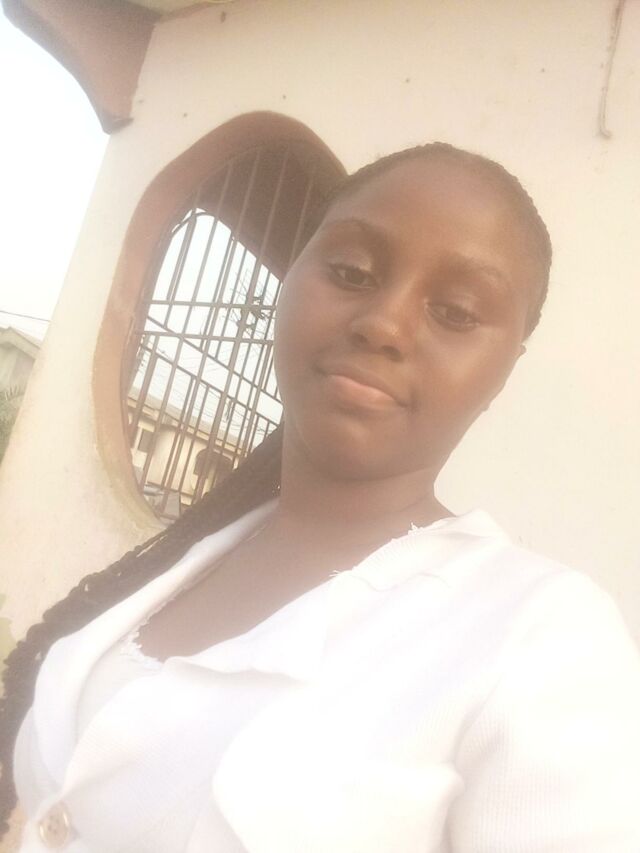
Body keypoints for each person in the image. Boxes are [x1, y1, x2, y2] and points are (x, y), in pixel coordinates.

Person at [2, 143, 640, 852]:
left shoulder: (541, 637)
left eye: (457, 312)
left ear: (502, 370)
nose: (384, 324)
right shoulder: (188, 560)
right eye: (351, 272)